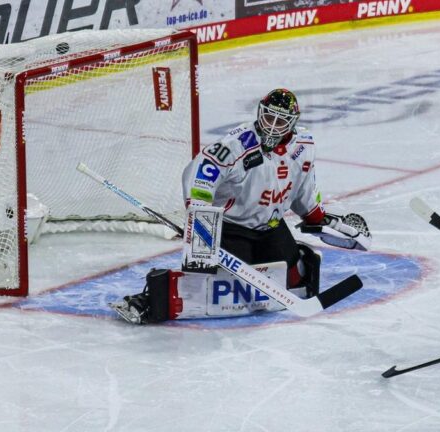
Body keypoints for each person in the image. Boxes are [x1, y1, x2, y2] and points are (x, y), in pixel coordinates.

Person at [111, 89, 371, 324]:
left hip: (270, 227)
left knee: (296, 280)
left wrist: (318, 217)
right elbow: (202, 171)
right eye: (268, 117)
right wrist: (200, 215)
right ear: (260, 113)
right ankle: (148, 300)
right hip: (230, 228)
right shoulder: (237, 144)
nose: (272, 126)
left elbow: (304, 190)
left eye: (280, 121)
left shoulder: (303, 147)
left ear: (293, 123)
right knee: (219, 286)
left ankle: (292, 255)